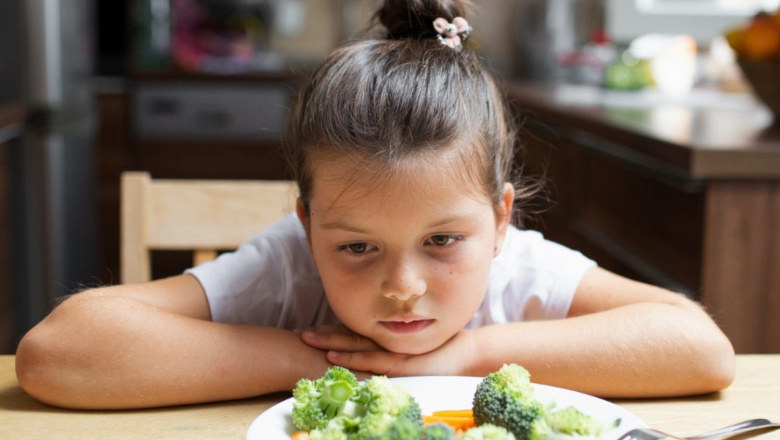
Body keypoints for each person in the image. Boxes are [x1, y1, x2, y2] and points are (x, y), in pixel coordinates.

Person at [15, 0, 734, 410]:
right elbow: (56, 354)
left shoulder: (520, 272)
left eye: (445, 241)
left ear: (501, 220)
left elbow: (701, 349)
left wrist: (468, 354)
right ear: (306, 225)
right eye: (356, 247)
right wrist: (329, 367)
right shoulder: (287, 268)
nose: (403, 287)